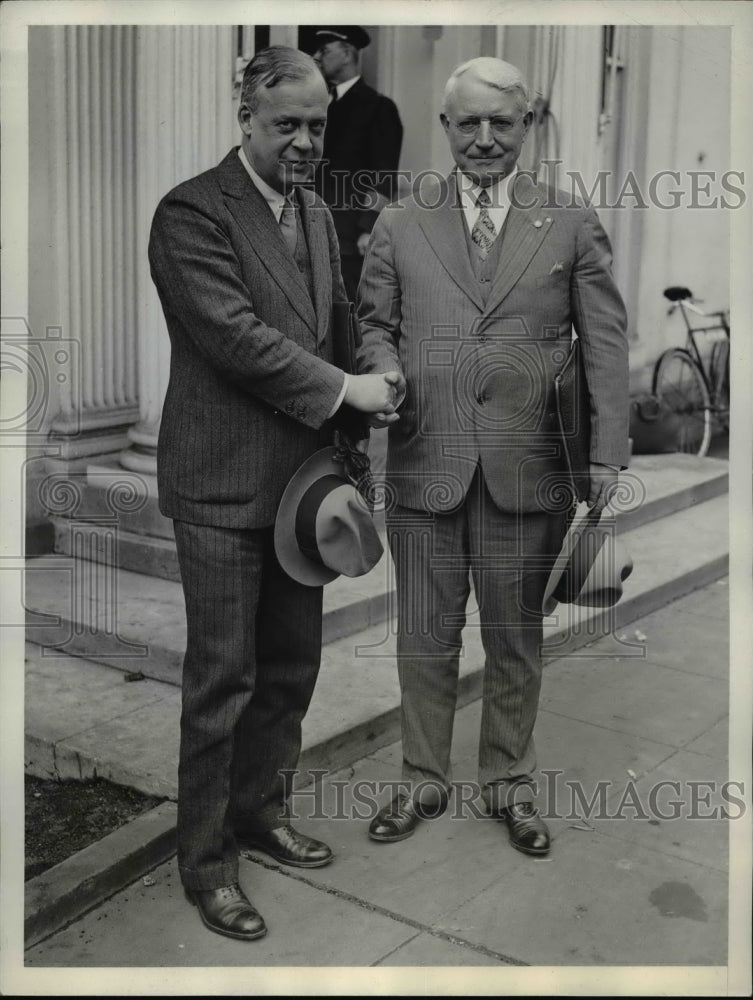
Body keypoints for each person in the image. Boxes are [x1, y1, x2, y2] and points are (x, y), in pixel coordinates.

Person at [148, 46, 402, 941]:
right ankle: (207, 863)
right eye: (285, 124)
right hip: (220, 487)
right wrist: (345, 392)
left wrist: (377, 366)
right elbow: (236, 338)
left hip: (303, 490)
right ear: (245, 119)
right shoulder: (189, 212)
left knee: (291, 671)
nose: (303, 141)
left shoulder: (317, 210)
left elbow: (335, 328)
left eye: (315, 126)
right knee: (224, 681)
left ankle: (260, 810)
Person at [357, 57, 629, 857]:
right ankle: (419, 779)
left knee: (515, 638)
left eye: (499, 124)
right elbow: (372, 322)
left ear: (527, 126)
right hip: (423, 462)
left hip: (529, 469)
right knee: (424, 634)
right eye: (467, 123)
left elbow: (606, 343)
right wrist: (382, 366)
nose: (482, 139)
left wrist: (606, 456)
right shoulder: (400, 221)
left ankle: (508, 785)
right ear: (444, 127)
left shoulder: (569, 222)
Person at [299, 25, 403, 302]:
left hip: (349, 239)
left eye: (324, 50)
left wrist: (368, 228)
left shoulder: (378, 107)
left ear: (346, 53)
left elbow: (383, 176)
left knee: (347, 319)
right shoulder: (320, 107)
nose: (316, 56)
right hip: (311, 232)